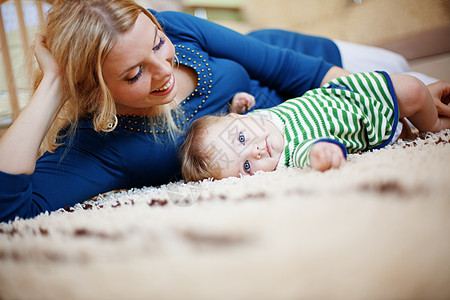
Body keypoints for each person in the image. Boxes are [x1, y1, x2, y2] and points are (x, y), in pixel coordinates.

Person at [0, 0, 446, 222]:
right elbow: (12, 207)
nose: (164, 73)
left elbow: (283, 65)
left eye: (158, 45)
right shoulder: (100, 144)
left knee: (403, 73)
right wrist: (55, 83)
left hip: (313, 74)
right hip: (308, 130)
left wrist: (375, 100)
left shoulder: (172, 24)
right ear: (95, 90)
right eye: (135, 74)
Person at [180, 71, 450, 181]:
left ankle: (426, 103)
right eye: (247, 166)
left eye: (240, 139)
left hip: (347, 91)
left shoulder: (258, 119)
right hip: (369, 116)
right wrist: (320, 153)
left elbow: (242, 119)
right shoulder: (288, 154)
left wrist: (237, 107)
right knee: (412, 91)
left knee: (406, 87)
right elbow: (309, 151)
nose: (256, 151)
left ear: (239, 120)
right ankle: (435, 122)